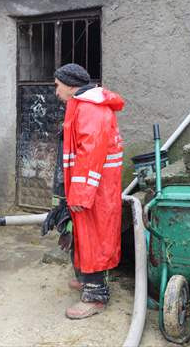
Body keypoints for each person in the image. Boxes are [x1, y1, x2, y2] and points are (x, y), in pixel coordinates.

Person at [44, 63, 124, 319]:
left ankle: (95, 296)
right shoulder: (84, 105)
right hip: (93, 187)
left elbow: (90, 155)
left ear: (69, 84)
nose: (56, 91)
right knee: (83, 235)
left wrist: (80, 194)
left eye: (57, 85)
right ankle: (85, 280)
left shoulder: (90, 109)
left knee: (94, 239)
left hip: (94, 191)